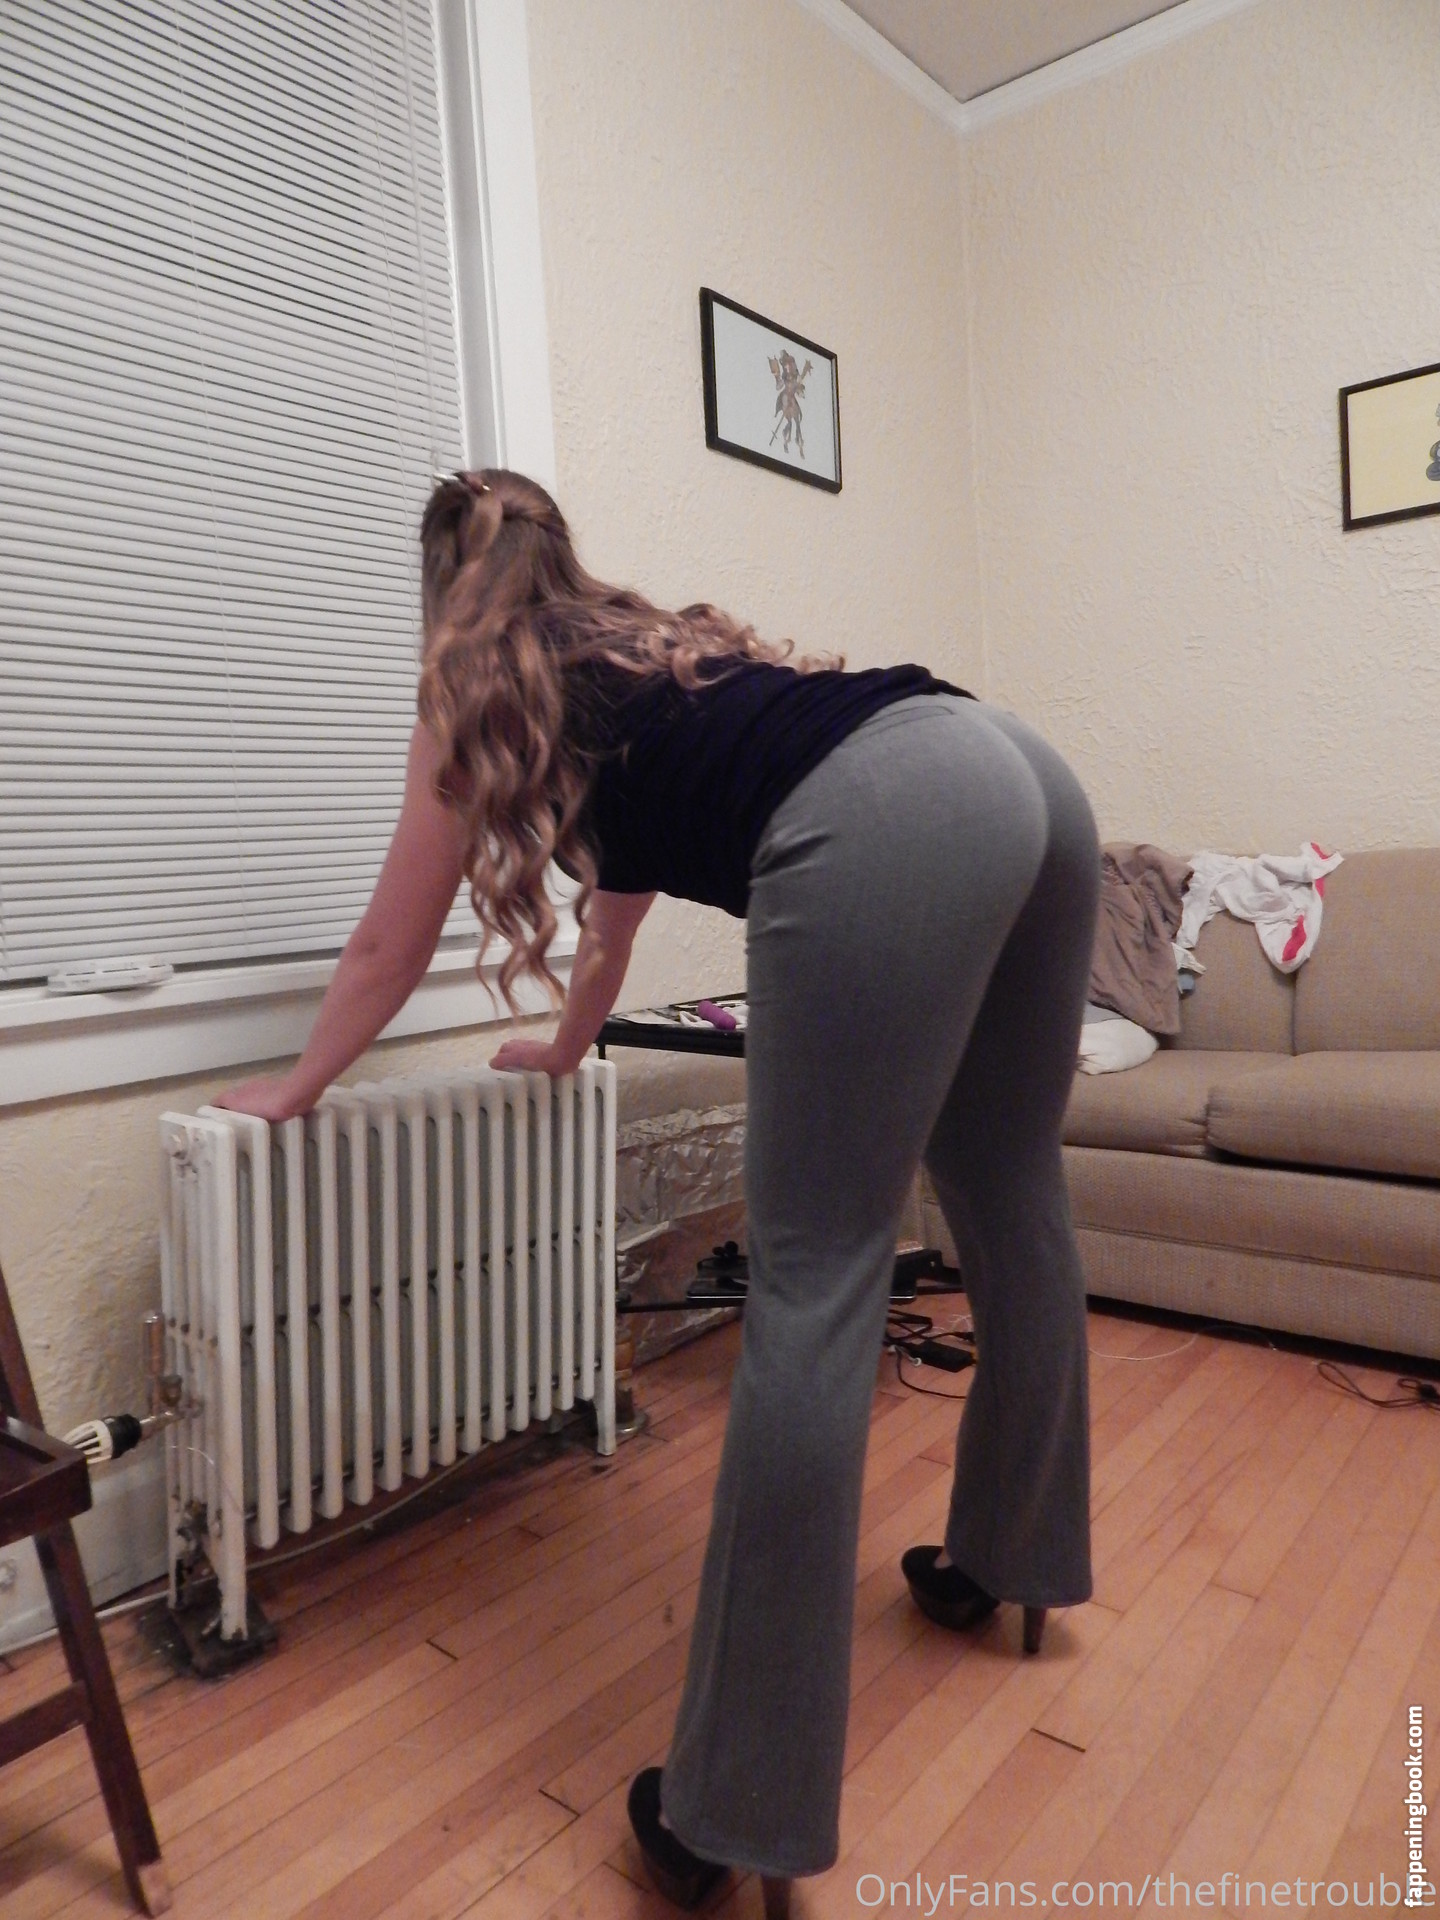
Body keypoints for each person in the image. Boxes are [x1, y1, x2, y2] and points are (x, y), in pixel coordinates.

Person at [216, 469, 1099, 1917]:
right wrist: (570, 1044)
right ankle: (1018, 1560)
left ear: (440, 588)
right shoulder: (649, 655)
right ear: (556, 553)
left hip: (902, 801)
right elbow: (614, 929)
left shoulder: (475, 695)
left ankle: (728, 1814)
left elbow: (386, 945)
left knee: (815, 1277)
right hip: (1017, 767)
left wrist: (298, 1088)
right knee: (1010, 1179)